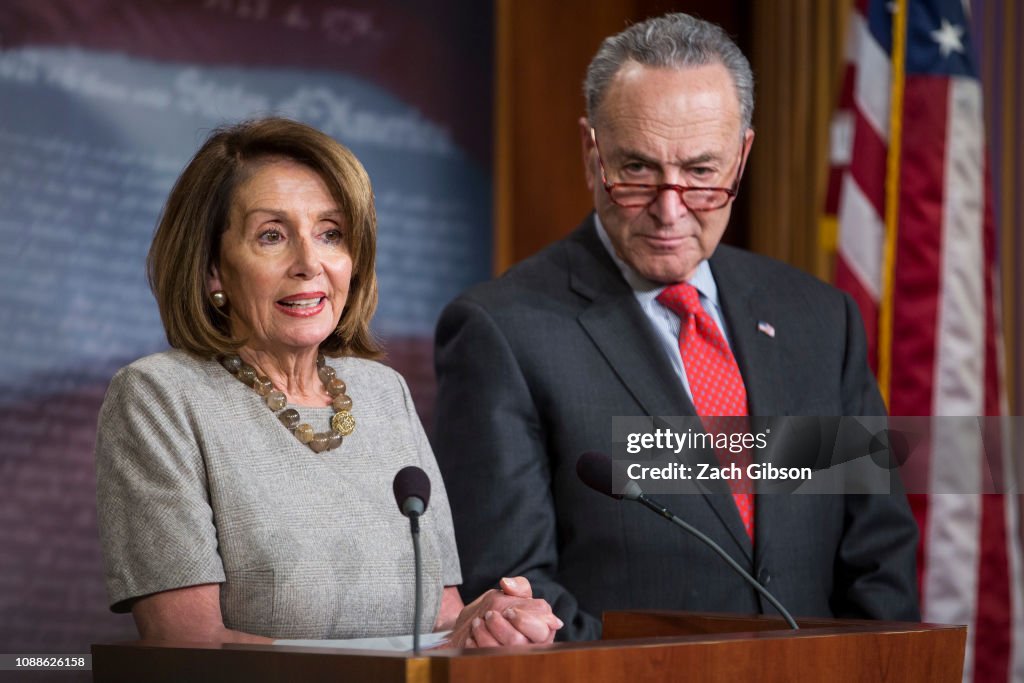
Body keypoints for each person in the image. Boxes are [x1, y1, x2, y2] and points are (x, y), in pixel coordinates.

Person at [432, 13, 920, 641]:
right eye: (636, 170)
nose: (669, 210)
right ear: (592, 154)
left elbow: (877, 559)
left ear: (741, 156)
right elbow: (517, 592)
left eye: (700, 172)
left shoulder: (820, 320)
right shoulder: (502, 332)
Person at [95, 117, 561, 647]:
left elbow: (438, 621)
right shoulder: (159, 398)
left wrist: (485, 625)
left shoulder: (384, 393)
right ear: (212, 270)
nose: (309, 262)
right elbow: (191, 646)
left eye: (331, 234)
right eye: (272, 235)